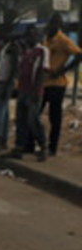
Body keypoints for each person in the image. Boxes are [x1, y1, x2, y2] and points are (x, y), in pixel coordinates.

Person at [5, 31, 52, 162]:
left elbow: (43, 72)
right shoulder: (26, 52)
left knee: (34, 120)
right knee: (21, 120)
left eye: (30, 36)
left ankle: (43, 146)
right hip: (23, 90)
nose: (27, 39)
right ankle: (18, 147)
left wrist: (37, 91)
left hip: (33, 92)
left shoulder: (42, 51)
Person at [41, 14, 81, 157]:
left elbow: (78, 54)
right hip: (43, 82)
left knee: (55, 117)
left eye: (56, 23)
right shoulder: (46, 39)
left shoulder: (63, 40)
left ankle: (52, 147)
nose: (52, 26)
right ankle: (32, 143)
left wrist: (62, 70)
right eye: (52, 22)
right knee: (35, 113)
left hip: (57, 83)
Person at [0, 30, 27, 151]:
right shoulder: (8, 47)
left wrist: (10, 83)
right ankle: (2, 139)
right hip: (3, 80)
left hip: (5, 81)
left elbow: (14, 68)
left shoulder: (12, 48)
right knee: (4, 111)